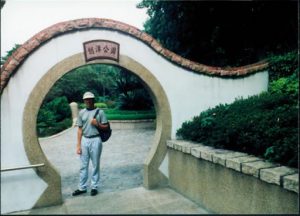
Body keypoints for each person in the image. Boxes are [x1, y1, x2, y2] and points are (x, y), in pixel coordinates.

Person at [72, 91, 108, 196]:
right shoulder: (81, 113)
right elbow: (79, 129)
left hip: (96, 139)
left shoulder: (100, 112)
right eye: (86, 99)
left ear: (93, 100)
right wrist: (78, 145)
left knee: (95, 164)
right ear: (84, 101)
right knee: (83, 165)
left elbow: (106, 127)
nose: (88, 101)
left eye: (90, 99)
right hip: (85, 140)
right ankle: (82, 187)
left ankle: (94, 186)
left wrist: (97, 124)